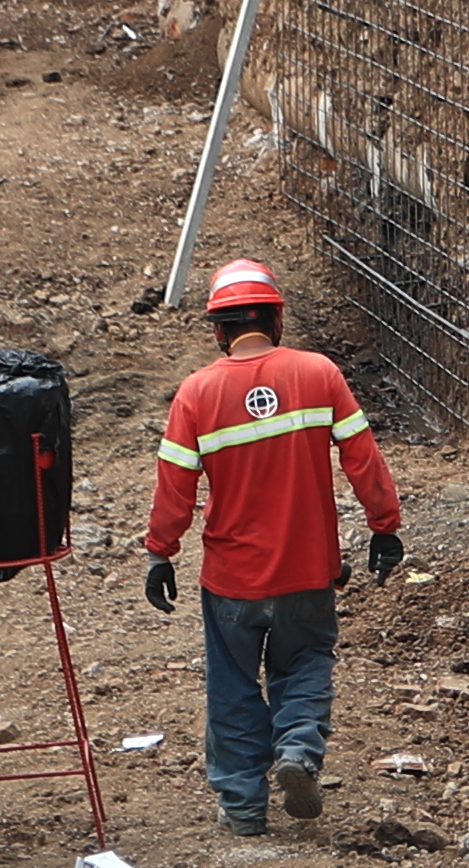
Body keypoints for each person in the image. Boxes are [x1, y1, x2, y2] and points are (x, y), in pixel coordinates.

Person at [141, 259, 406, 836]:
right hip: (307, 569)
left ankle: (242, 807)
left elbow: (174, 486)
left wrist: (161, 551)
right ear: (277, 319)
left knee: (233, 685)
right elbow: (363, 459)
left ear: (218, 329)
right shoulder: (318, 374)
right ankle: (298, 751)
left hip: (232, 579)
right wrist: (385, 526)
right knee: (306, 663)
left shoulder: (196, 394)